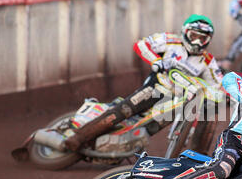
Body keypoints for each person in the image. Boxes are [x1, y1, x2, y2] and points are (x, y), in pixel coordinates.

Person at [64, 14, 223, 152]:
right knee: (125, 109)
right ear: (185, 32)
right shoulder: (170, 40)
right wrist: (156, 60)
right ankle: (78, 138)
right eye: (194, 36)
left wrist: (224, 95)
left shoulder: (208, 60)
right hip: (157, 87)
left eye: (202, 38)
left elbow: (217, 84)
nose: (197, 41)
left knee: (204, 113)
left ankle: (197, 157)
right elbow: (141, 44)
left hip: (178, 99)